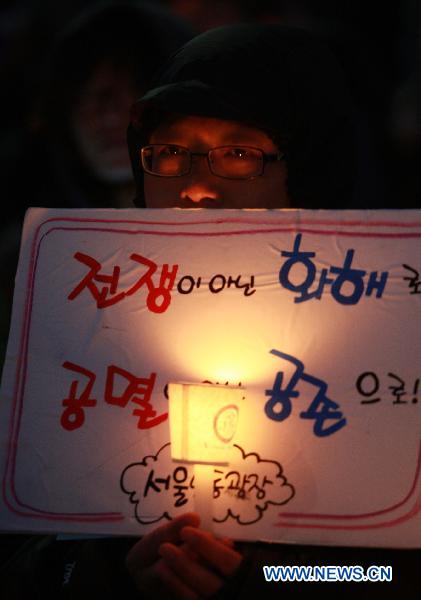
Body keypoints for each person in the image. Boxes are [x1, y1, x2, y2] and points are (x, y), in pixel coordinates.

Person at [123, 23, 420, 599]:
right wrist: (110, 575)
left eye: (238, 154)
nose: (196, 188)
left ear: (310, 168)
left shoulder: (397, 350)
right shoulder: (73, 322)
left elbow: (389, 574)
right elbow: (26, 558)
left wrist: (270, 577)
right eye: (172, 152)